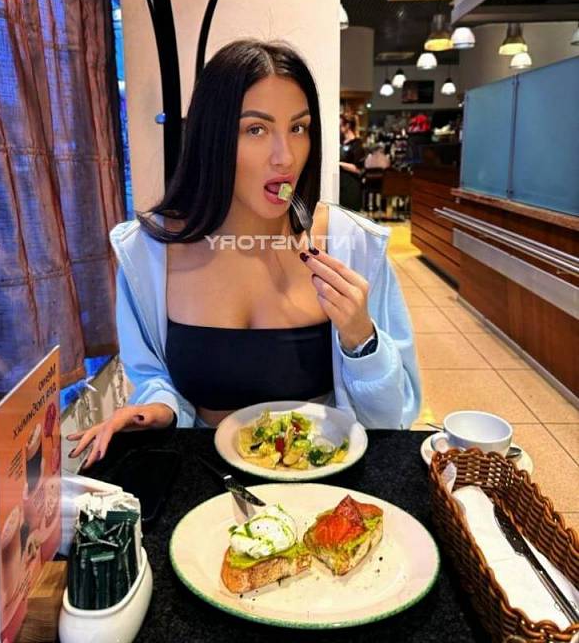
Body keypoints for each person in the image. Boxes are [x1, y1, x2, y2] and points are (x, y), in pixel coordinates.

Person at [68, 39, 421, 470]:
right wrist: (159, 409)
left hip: (324, 477)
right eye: (256, 130)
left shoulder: (354, 245)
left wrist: (361, 340)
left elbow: (393, 420)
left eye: (298, 128)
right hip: (206, 479)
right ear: (211, 139)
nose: (285, 157)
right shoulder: (149, 253)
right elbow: (154, 378)